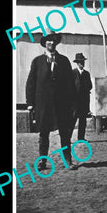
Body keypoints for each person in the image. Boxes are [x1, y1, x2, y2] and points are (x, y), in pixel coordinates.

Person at [26, 29, 77, 170]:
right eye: (48, 40)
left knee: (65, 134)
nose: (51, 42)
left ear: (56, 42)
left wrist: (72, 103)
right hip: (43, 106)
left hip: (61, 105)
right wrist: (30, 104)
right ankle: (42, 161)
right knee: (44, 134)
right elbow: (30, 83)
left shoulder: (64, 61)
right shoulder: (37, 62)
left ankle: (68, 160)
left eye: (53, 40)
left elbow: (70, 84)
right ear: (44, 43)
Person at [71, 53, 93, 141]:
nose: (82, 63)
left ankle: (81, 137)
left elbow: (90, 86)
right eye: (80, 62)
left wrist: (85, 86)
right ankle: (67, 138)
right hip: (75, 102)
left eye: (83, 62)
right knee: (72, 120)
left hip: (84, 101)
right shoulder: (73, 73)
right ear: (77, 63)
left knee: (83, 120)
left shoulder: (86, 74)